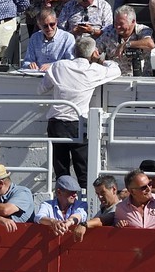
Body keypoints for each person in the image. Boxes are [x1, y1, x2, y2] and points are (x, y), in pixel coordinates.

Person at [41, 35, 120, 188]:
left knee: (61, 171)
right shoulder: (94, 70)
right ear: (93, 53)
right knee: (83, 170)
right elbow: (115, 69)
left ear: (74, 51)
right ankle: (85, 205)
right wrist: (100, 60)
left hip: (56, 124)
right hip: (78, 124)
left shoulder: (59, 66)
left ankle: (63, 204)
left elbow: (41, 89)